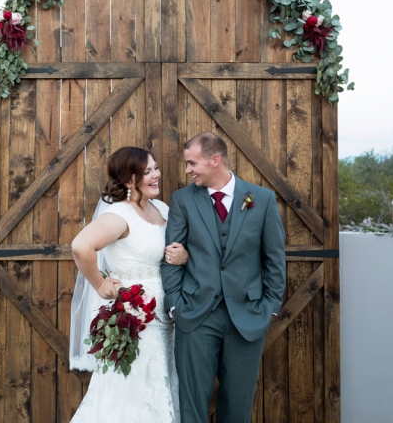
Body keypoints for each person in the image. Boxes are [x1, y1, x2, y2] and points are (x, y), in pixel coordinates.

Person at [161, 132, 286, 423]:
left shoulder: (262, 200)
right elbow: (171, 256)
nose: (188, 170)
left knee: (238, 407)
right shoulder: (182, 200)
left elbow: (275, 259)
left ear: (215, 160)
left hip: (248, 315)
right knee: (192, 405)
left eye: (193, 163)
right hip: (195, 314)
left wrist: (270, 307)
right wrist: (176, 305)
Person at [69, 146, 189, 423]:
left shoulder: (161, 208)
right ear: (127, 180)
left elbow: (174, 249)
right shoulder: (118, 215)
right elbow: (81, 246)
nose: (156, 175)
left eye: (155, 168)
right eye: (147, 172)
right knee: (133, 389)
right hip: (136, 319)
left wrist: (184, 256)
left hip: (167, 318)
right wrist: (100, 284)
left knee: (163, 383)